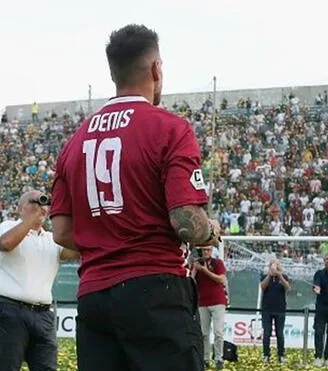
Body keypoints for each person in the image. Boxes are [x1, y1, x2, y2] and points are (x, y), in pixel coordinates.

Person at [50, 24, 221, 371]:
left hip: (94, 297)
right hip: (156, 290)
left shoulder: (74, 142)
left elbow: (62, 233)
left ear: (113, 73)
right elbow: (185, 221)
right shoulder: (171, 128)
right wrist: (210, 230)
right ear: (156, 69)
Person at [0, 191, 79, 371]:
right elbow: (6, 243)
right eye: (33, 202)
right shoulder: (7, 226)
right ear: (21, 209)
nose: (40, 206)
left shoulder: (52, 240)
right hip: (9, 310)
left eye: (44, 203)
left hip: (43, 314)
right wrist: (31, 220)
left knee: (47, 367)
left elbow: (78, 250)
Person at [193, 245, 228, 370]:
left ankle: (219, 358)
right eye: (204, 250)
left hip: (217, 301)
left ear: (212, 251)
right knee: (203, 333)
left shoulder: (217, 263)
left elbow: (221, 279)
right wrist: (195, 270)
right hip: (202, 302)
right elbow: (191, 281)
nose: (206, 252)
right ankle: (205, 358)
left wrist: (205, 270)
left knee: (218, 332)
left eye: (208, 250)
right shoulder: (198, 264)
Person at [260, 259, 291, 365]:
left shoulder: (284, 277)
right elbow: (262, 287)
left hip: (280, 309)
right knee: (266, 333)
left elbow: (288, 288)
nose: (275, 267)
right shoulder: (264, 276)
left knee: (280, 334)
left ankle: (281, 355)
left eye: (277, 265)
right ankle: (266, 355)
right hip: (267, 309)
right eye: (273, 265)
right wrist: (270, 275)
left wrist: (279, 275)